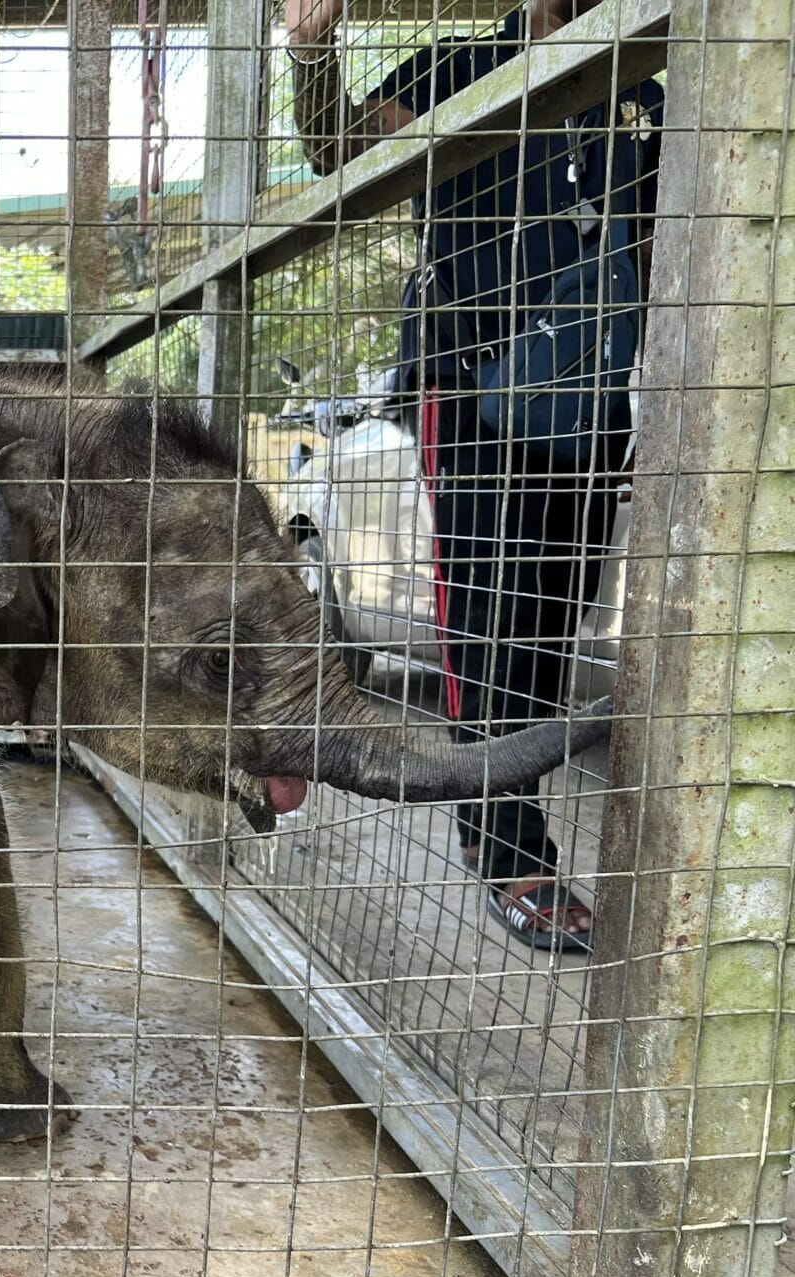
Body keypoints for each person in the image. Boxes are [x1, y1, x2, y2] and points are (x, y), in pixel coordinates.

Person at [283, 0, 663, 951]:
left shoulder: (645, 92)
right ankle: (511, 854)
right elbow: (335, 148)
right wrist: (311, 47)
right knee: (488, 618)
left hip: (593, 396)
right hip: (471, 378)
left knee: (553, 618)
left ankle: (519, 828)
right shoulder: (456, 71)